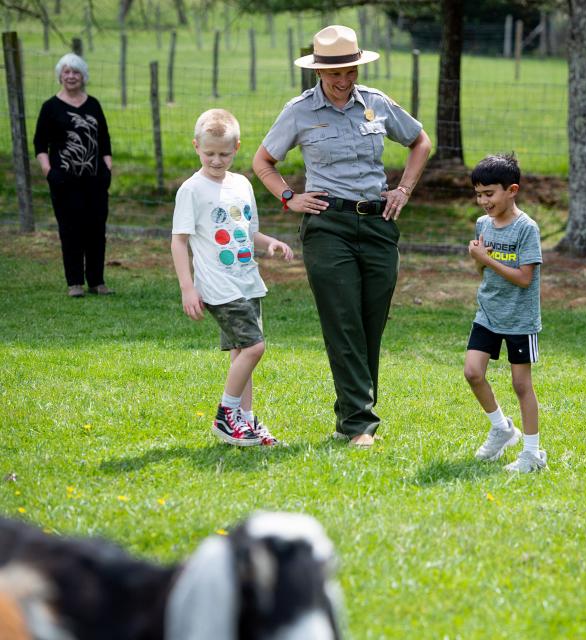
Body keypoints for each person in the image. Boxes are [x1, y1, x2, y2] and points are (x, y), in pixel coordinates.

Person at [252, 25, 431, 448]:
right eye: (335, 73)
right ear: (318, 71)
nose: (344, 80)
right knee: (343, 320)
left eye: (350, 71)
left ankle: (349, 413)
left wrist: (403, 190)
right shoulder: (298, 111)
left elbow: (420, 141)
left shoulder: (376, 103)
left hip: (377, 225)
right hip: (327, 226)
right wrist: (290, 197)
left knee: (371, 323)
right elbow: (263, 161)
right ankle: (358, 424)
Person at [171, 109, 293, 447]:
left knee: (242, 352)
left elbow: (249, 231)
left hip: (247, 281)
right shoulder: (191, 190)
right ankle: (226, 416)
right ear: (196, 146)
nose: (216, 160)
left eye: (224, 153)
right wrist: (187, 287)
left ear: (237, 148)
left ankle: (246, 421)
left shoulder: (241, 184)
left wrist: (270, 244)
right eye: (209, 153)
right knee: (255, 347)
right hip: (218, 286)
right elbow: (179, 241)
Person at [465, 154, 545, 473]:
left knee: (521, 385)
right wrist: (478, 258)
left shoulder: (527, 229)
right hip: (488, 312)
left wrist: (486, 259)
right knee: (473, 372)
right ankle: (501, 428)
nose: (483, 201)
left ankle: (532, 454)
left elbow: (525, 279)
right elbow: (480, 270)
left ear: (511, 190)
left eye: (489, 194)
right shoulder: (483, 224)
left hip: (519, 319)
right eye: (479, 194)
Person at [33, 53, 113, 298]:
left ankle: (97, 281)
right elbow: (39, 144)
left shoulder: (93, 104)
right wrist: (49, 172)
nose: (71, 76)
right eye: (66, 72)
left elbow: (104, 142)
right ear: (60, 75)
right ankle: (75, 282)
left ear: (83, 76)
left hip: (94, 180)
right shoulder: (50, 107)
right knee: (70, 231)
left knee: (96, 231)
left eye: (76, 72)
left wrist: (107, 170)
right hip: (64, 181)